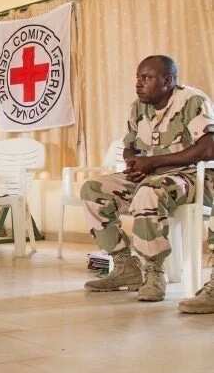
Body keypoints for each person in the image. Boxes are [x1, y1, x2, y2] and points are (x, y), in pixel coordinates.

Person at [81, 55, 214, 304]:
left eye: (147, 78)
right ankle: (125, 267)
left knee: (149, 191)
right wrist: (134, 164)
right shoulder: (138, 107)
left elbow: (208, 149)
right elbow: (130, 146)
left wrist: (152, 163)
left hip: (190, 177)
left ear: (168, 80)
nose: (139, 84)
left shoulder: (192, 101)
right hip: (152, 175)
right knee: (93, 190)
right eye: (138, 78)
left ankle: (153, 273)